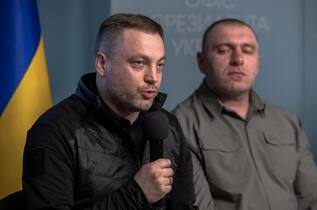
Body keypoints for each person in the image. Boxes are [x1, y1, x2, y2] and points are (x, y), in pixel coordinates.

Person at [22, 13, 196, 210]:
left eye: (159, 65)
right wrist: (136, 194)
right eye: (139, 63)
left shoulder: (168, 125)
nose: (153, 77)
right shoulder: (54, 132)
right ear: (102, 64)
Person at [173, 18, 317, 210]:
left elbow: (316, 202)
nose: (238, 59)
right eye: (224, 50)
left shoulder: (287, 122)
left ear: (258, 61)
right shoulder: (180, 126)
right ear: (202, 61)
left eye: (248, 50)